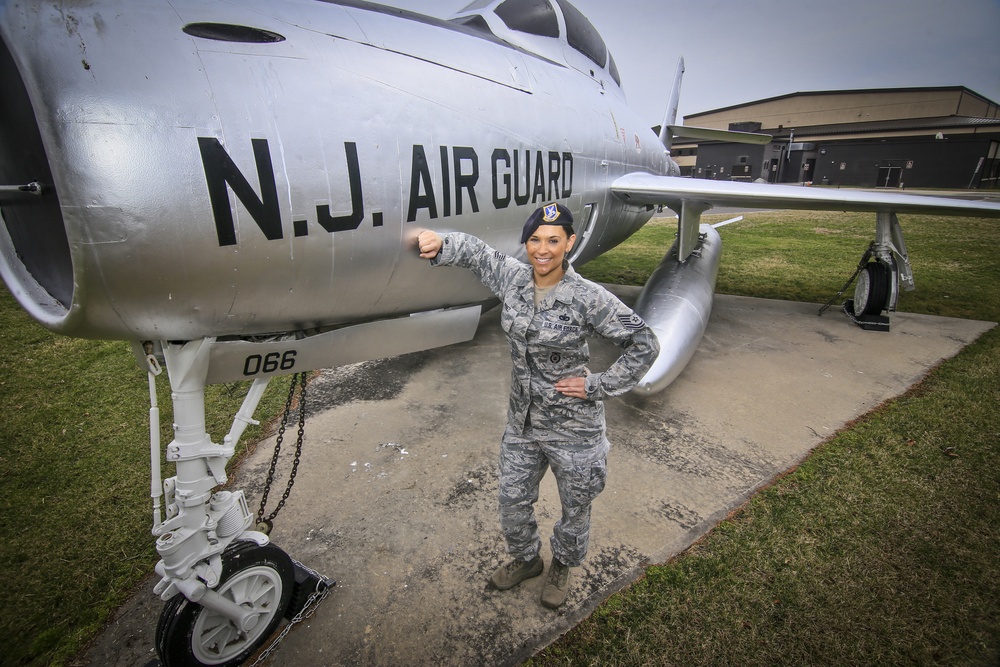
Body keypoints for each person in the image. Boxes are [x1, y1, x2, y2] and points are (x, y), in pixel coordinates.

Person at [416, 203, 659, 609]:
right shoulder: (513, 280)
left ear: (570, 243)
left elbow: (644, 343)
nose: (542, 250)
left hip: (574, 428)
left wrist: (597, 384)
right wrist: (441, 243)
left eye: (553, 240)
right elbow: (477, 253)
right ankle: (527, 559)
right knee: (512, 501)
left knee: (576, 505)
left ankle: (562, 564)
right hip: (523, 423)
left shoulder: (589, 298)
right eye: (534, 240)